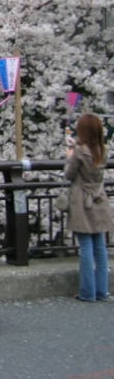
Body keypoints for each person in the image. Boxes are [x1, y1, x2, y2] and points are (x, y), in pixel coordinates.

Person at [64, 113, 112, 302]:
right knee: (100, 246)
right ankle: (102, 291)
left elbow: (69, 174)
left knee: (85, 246)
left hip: (82, 200)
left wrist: (69, 156)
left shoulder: (79, 151)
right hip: (98, 198)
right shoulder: (102, 149)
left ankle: (87, 292)